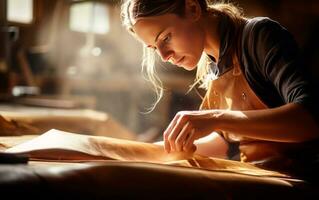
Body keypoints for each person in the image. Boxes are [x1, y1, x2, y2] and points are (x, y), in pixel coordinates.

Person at [121, 0, 319, 179]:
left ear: (192, 8)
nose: (164, 56)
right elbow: (225, 143)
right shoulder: (211, 63)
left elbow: (310, 119)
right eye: (154, 48)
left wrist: (216, 118)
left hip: (301, 180)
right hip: (257, 177)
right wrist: (137, 154)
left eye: (165, 38)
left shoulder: (258, 35)